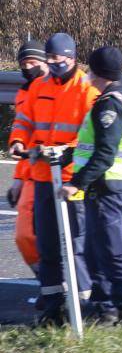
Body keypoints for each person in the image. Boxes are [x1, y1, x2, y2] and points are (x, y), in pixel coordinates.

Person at [7, 32, 97, 325]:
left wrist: (62, 151)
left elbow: (89, 138)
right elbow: (25, 120)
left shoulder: (86, 91)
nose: (54, 67)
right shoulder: (39, 87)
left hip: (71, 179)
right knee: (46, 245)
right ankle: (53, 307)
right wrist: (19, 141)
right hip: (43, 176)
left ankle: (83, 307)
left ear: (72, 59)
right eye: (51, 61)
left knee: (72, 244)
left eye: (59, 62)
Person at [65, 46, 122, 327]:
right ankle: (106, 309)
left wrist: (75, 183)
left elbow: (104, 153)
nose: (86, 74)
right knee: (95, 249)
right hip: (104, 186)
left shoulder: (109, 104)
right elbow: (90, 147)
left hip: (107, 187)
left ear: (98, 72)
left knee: (113, 250)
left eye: (90, 69)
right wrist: (64, 155)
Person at [8, 40, 47, 273]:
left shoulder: (62, 89)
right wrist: (18, 180)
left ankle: (73, 294)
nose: (27, 67)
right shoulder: (23, 94)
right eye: (23, 63)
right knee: (24, 237)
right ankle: (49, 286)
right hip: (31, 173)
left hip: (60, 172)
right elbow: (24, 140)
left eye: (32, 61)